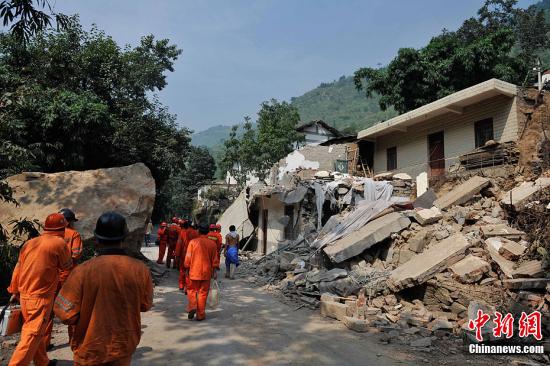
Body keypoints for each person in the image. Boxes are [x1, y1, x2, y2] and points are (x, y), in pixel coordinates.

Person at [53, 212, 153, 366]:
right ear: (124, 238)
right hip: (122, 347)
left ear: (97, 240)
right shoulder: (141, 269)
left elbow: (65, 313)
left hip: (89, 350)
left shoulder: (82, 271)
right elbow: (145, 305)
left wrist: (87, 316)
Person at [7, 213, 73, 366]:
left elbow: (18, 267)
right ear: (63, 228)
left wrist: (14, 290)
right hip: (40, 298)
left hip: (24, 295)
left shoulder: (30, 243)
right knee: (33, 333)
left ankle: (42, 362)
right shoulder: (59, 243)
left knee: (35, 330)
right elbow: (66, 268)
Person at [44, 208, 83, 349]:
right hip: (67, 277)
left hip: (50, 278)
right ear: (68, 222)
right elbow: (76, 254)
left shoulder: (45, 237)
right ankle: (74, 341)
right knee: (71, 308)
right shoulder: (74, 234)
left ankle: (45, 344)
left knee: (48, 311)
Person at [184, 224, 220, 321]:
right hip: (206, 272)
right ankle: (200, 315)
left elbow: (188, 257)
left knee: (191, 290)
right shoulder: (212, 244)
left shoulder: (192, 242)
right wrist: (215, 271)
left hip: (193, 271)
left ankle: (192, 306)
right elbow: (215, 259)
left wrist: (186, 268)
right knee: (203, 293)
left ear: (198, 231)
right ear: (208, 232)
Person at [174, 221, 197, 292]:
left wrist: (177, 255)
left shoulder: (183, 232)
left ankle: (181, 285)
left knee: (182, 270)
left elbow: (179, 244)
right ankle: (188, 287)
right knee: (191, 271)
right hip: (193, 255)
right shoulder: (196, 233)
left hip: (184, 254)